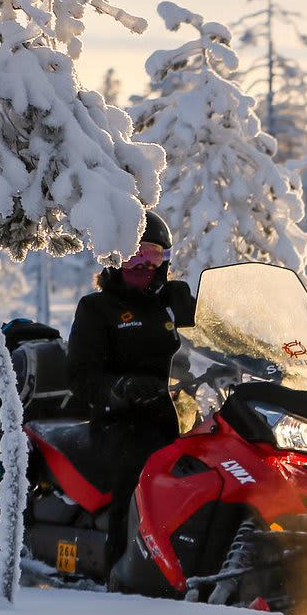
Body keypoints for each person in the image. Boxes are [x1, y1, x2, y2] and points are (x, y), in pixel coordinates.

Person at [66, 211, 196, 555]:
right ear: (113, 261)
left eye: (152, 255)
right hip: (122, 422)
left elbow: (215, 343)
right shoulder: (97, 308)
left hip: (183, 415)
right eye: (133, 256)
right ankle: (122, 564)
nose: (144, 265)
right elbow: (81, 377)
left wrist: (258, 356)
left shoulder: (176, 301)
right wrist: (120, 387)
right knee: (142, 462)